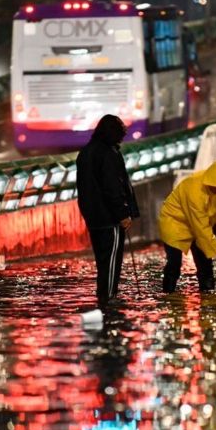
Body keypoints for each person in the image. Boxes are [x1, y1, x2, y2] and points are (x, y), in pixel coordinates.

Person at [76, 114, 140, 304]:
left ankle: (102, 294)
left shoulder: (86, 152)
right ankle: (109, 296)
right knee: (112, 260)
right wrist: (123, 214)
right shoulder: (108, 153)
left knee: (102, 260)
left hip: (92, 216)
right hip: (109, 217)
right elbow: (113, 187)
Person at [159, 161, 216, 293]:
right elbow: (201, 228)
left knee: (205, 263)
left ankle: (208, 295)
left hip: (197, 226)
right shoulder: (194, 189)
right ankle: (168, 294)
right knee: (174, 264)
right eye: (215, 187)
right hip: (175, 223)